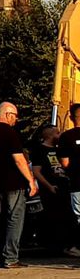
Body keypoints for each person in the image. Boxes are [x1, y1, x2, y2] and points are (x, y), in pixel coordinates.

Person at [0, 102, 38, 268]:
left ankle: (0, 255)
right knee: (14, 219)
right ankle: (11, 257)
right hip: (13, 182)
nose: (16, 120)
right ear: (7, 114)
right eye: (15, 116)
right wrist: (31, 180)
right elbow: (19, 159)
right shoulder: (10, 133)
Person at [30, 124, 75, 256]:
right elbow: (36, 171)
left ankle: (68, 245)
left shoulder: (60, 149)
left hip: (63, 186)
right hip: (49, 189)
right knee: (54, 217)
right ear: (50, 135)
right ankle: (56, 247)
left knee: (67, 216)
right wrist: (49, 186)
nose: (60, 136)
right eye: (57, 133)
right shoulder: (40, 150)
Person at [59, 103, 80, 255]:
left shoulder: (66, 137)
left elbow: (64, 162)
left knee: (79, 215)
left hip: (77, 181)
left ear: (72, 118)